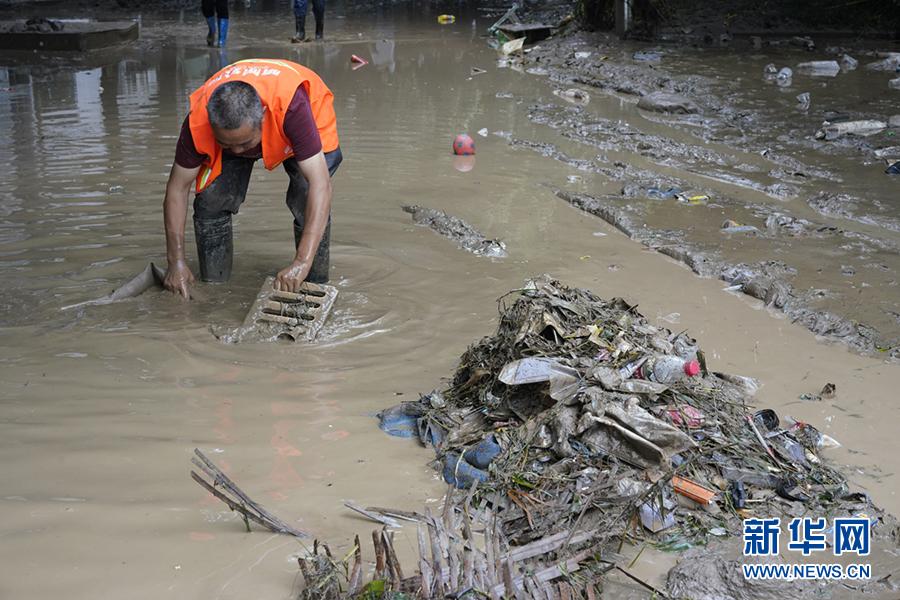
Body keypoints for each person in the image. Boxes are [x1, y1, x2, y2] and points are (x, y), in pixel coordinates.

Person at [162, 59, 342, 297]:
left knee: (305, 193)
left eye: (245, 143)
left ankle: (314, 282)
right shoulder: (199, 121)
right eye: (227, 144)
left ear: (263, 117)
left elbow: (320, 185)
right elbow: (176, 189)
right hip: (243, 128)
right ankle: (215, 284)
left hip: (301, 123)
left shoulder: (292, 108)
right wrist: (176, 262)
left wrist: (302, 261)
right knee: (211, 201)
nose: (237, 152)